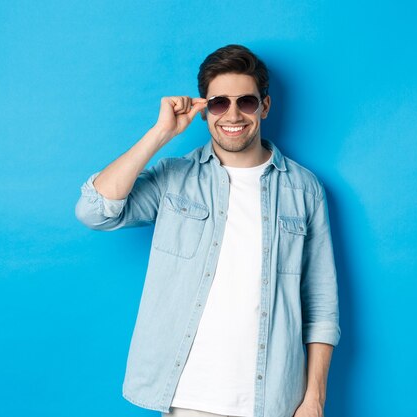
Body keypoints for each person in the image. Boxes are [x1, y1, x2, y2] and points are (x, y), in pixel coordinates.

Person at [75, 44, 340, 417]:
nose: (233, 115)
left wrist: (314, 399)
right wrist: (160, 133)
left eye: (246, 102)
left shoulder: (303, 189)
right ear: (204, 109)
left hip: (271, 400)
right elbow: (94, 211)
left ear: (264, 106)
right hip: (187, 397)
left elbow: (321, 306)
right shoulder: (175, 178)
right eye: (219, 103)